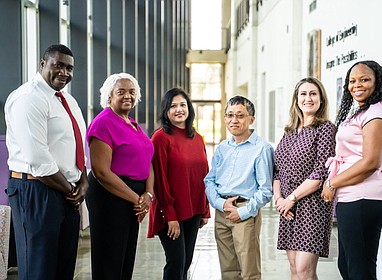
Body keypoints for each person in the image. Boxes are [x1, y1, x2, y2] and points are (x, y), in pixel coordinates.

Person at [5, 44, 88, 280]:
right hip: (36, 191)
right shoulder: (28, 98)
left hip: (66, 193)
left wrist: (84, 180)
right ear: (43, 64)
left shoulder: (67, 101)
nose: (64, 72)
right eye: (58, 65)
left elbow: (76, 145)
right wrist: (72, 189)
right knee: (38, 270)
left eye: (69, 68)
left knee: (63, 269)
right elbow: (37, 160)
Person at [321, 60, 382, 280]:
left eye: (365, 79)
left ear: (378, 82)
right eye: (352, 81)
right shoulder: (364, 111)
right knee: (348, 267)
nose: (357, 85)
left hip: (365, 197)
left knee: (359, 271)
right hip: (354, 197)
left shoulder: (377, 112)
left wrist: (332, 183)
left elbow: (370, 162)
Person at [85, 73, 154, 280]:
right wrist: (137, 200)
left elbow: (147, 159)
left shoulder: (131, 123)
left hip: (133, 198)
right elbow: (102, 173)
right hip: (110, 196)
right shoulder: (103, 123)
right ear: (109, 96)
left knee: (125, 259)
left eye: (132, 92)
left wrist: (148, 195)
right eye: (121, 92)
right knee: (109, 261)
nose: (127, 96)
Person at [204, 96, 274, 280]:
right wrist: (221, 203)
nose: (234, 120)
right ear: (225, 118)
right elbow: (209, 181)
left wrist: (243, 213)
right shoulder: (222, 148)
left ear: (251, 119)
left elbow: (266, 190)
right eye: (230, 115)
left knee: (249, 272)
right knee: (227, 271)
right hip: (222, 211)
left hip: (245, 212)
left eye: (240, 115)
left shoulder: (262, 149)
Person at [273, 77, 336, 279]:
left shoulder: (325, 129)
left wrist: (290, 199)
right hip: (287, 209)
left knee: (305, 271)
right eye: (303, 94)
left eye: (313, 94)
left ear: (321, 99)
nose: (308, 98)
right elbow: (277, 171)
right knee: (294, 269)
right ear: (296, 99)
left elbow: (320, 173)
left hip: (312, 207)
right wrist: (279, 200)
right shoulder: (289, 132)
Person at [147, 88, 210, 280]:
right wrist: (169, 214)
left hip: (194, 210)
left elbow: (204, 176)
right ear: (166, 111)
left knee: (187, 262)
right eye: (173, 106)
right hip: (171, 211)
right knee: (176, 262)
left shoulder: (197, 138)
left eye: (182, 105)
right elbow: (159, 178)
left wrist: (205, 209)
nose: (179, 109)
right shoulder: (160, 138)